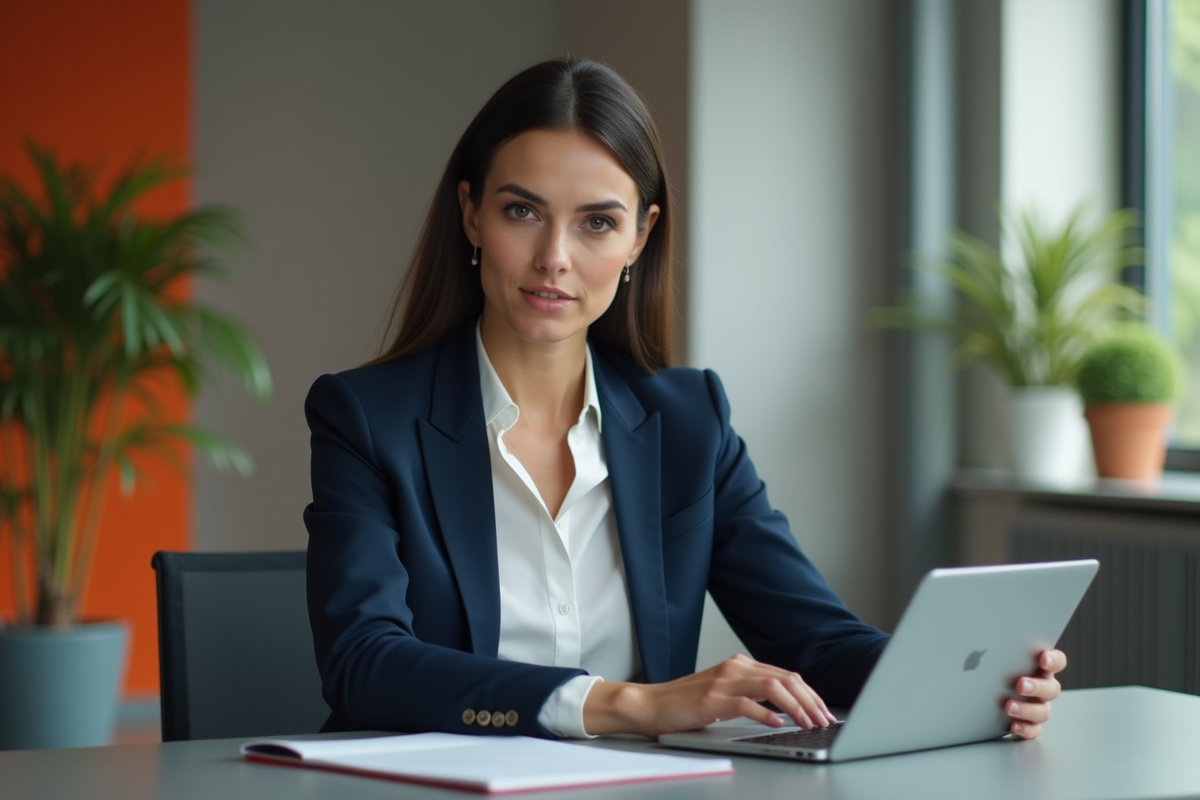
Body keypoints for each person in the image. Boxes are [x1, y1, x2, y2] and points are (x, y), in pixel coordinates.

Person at [303, 57, 1066, 741]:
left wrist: (970, 686)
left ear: (641, 236)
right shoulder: (366, 419)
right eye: (522, 211)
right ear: (471, 213)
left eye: (598, 222)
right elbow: (366, 667)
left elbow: (816, 639)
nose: (554, 258)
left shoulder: (689, 421)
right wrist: (634, 704)